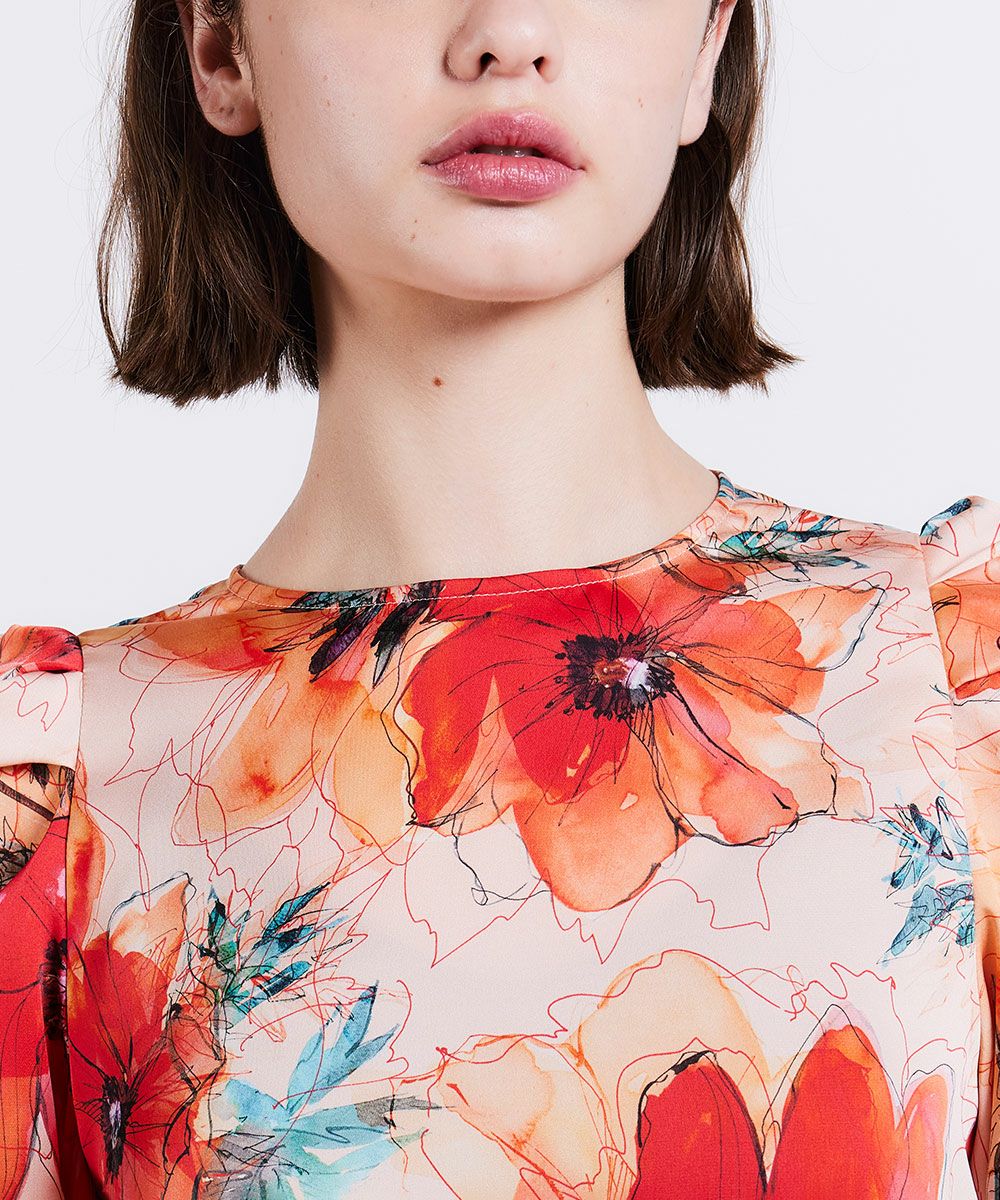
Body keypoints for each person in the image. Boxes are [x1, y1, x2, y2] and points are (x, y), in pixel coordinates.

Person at [0, 0, 997, 1196]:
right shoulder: (53, 796)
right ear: (220, 45)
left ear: (706, 49)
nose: (509, 32)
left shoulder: (953, 679)